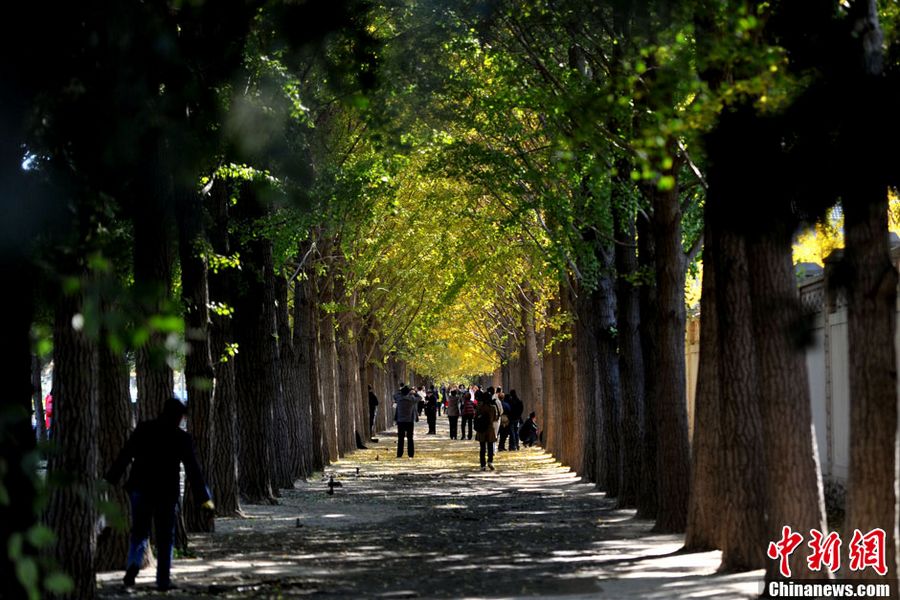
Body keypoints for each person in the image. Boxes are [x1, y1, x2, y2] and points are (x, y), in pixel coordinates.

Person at [104, 396, 213, 591]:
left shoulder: (144, 428)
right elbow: (193, 469)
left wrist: (111, 478)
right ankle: (163, 579)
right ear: (178, 416)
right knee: (165, 537)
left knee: (139, 532)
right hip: (166, 494)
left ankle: (133, 565)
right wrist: (204, 498)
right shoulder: (181, 438)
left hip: (140, 489)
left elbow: (126, 454)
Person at [475, 391, 500, 471]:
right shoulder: (492, 407)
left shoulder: (479, 407)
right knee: (490, 446)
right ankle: (490, 461)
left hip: (481, 429)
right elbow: (496, 418)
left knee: (482, 448)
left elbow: (475, 417)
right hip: (490, 429)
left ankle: (482, 464)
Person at [394, 386, 418, 458]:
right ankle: (411, 454)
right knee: (410, 438)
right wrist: (413, 393)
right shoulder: (412, 399)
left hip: (400, 421)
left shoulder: (399, 399)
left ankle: (399, 454)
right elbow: (420, 397)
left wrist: (400, 391)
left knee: (400, 438)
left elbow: (394, 395)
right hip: (409, 421)